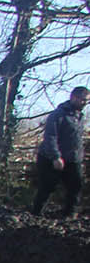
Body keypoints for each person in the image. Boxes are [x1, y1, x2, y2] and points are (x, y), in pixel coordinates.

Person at [32, 86, 87, 218]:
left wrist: (79, 157)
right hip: (51, 158)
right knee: (47, 187)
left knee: (75, 187)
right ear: (74, 98)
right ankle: (36, 215)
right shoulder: (58, 115)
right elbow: (50, 137)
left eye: (86, 101)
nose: (84, 103)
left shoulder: (79, 117)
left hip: (73, 159)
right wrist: (56, 157)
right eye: (83, 100)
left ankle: (70, 215)